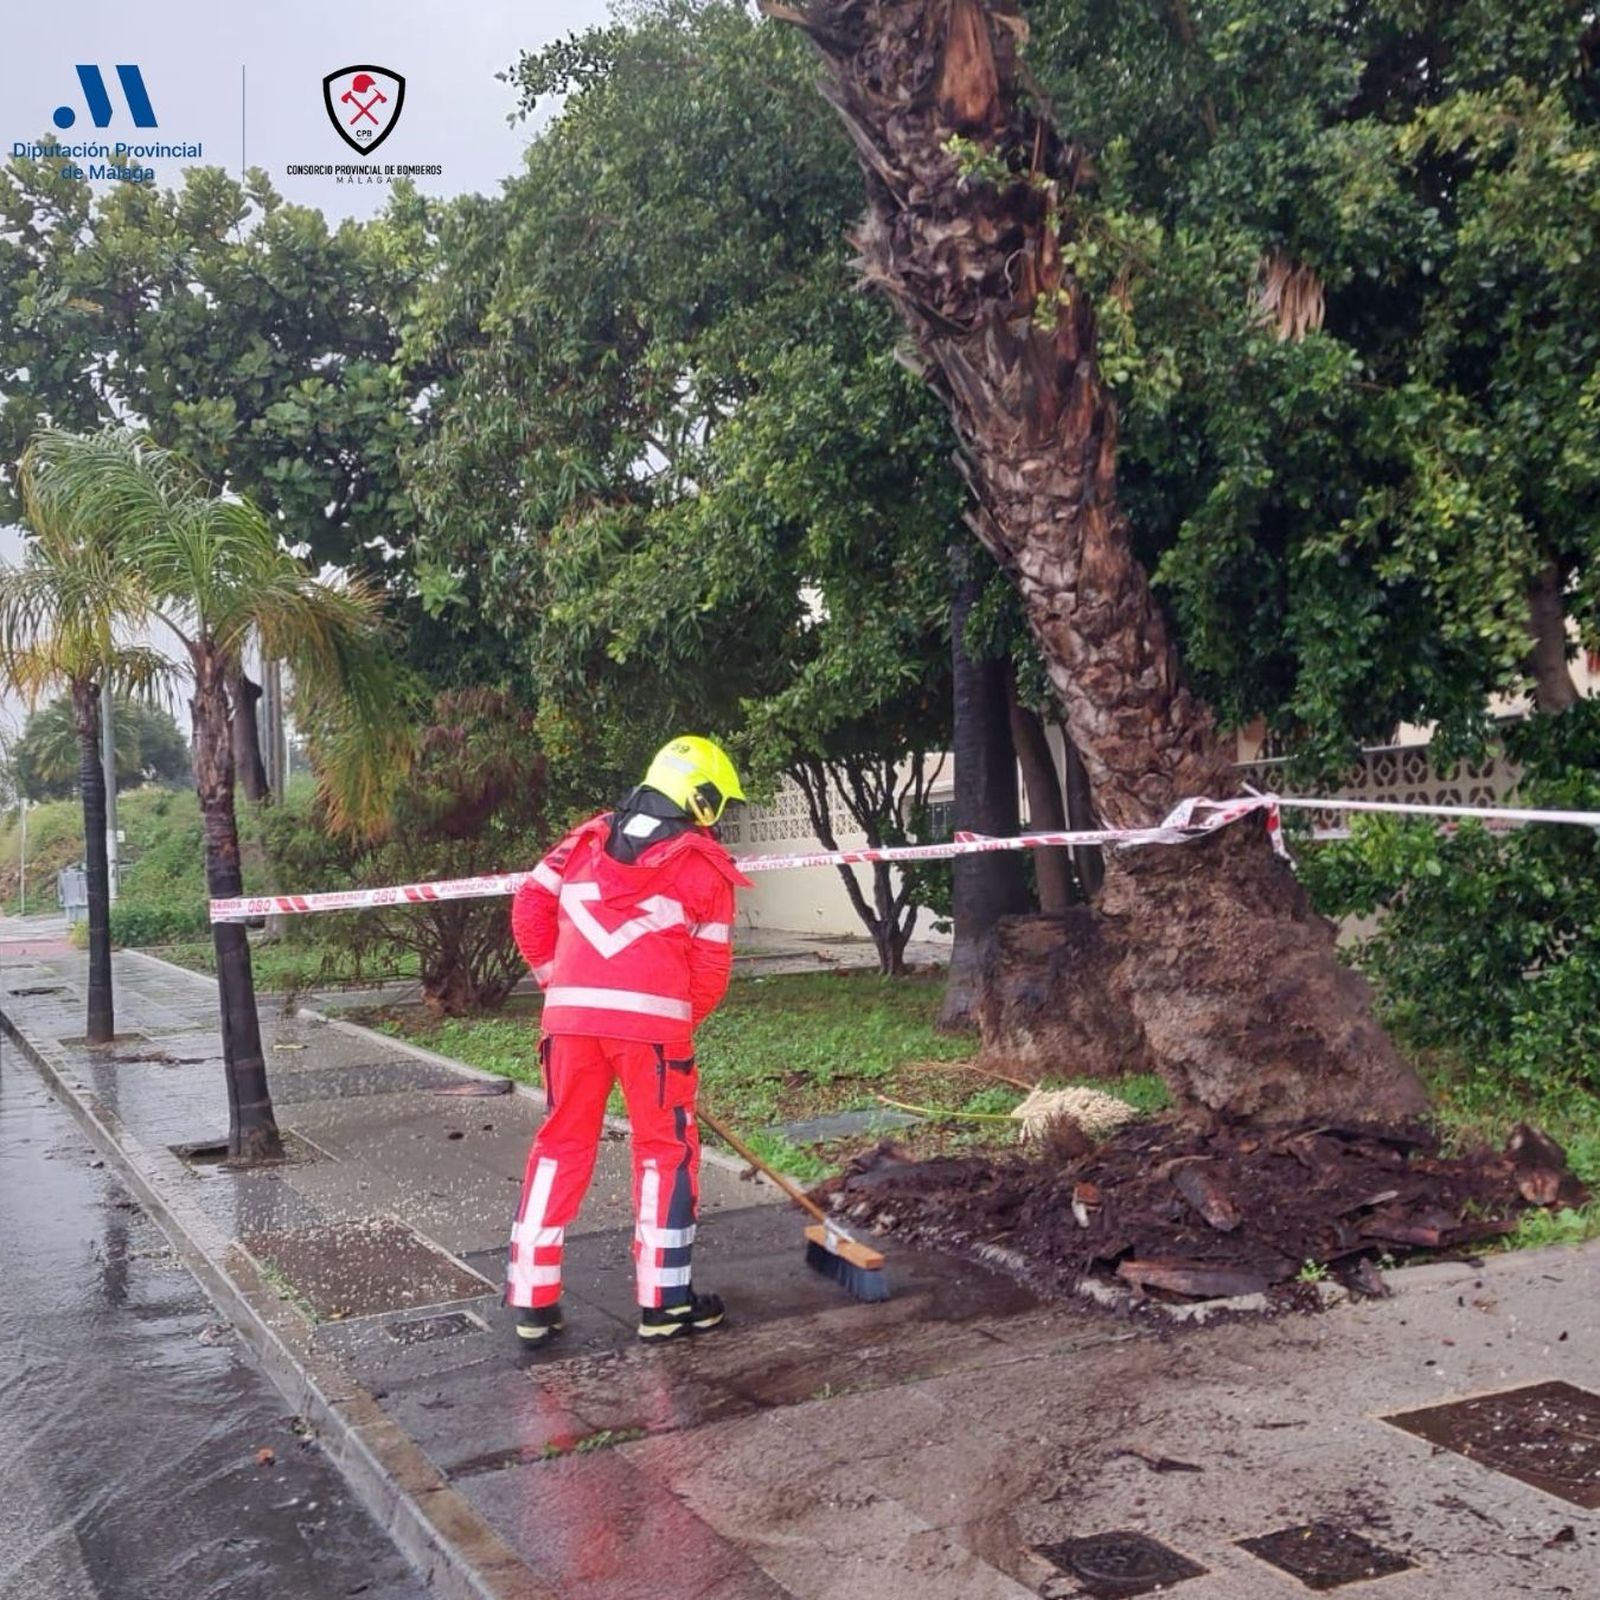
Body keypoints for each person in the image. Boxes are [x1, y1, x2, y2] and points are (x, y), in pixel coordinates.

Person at [506, 735, 750, 1345]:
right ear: (701, 797)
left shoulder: (580, 844)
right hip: (654, 1038)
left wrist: (556, 984)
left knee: (559, 1145)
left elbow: (529, 909)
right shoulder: (704, 867)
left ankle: (532, 1303)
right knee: (664, 1153)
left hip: (569, 1028)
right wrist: (673, 1024)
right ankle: (665, 1304)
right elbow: (711, 973)